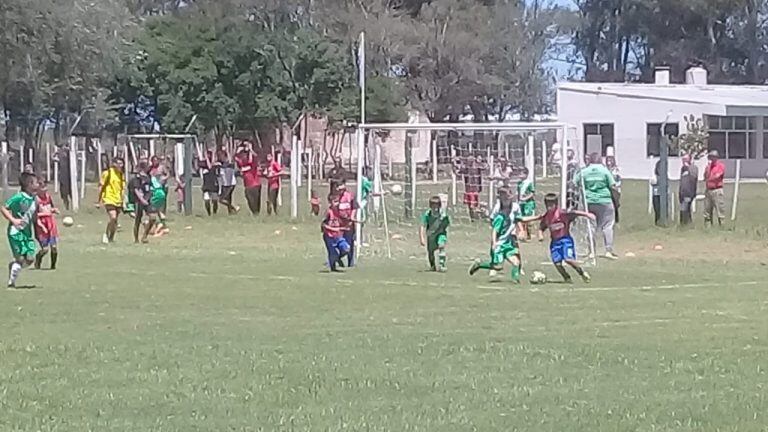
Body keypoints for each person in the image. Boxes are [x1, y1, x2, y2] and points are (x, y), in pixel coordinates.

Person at [523, 193, 593, 284]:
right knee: (557, 263)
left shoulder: (562, 214)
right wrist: (540, 235)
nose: (549, 208)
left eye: (551, 205)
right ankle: (567, 278)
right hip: (555, 243)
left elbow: (575, 213)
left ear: (556, 204)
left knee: (568, 259)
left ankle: (582, 272)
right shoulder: (546, 217)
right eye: (547, 205)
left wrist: (587, 214)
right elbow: (542, 227)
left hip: (566, 240)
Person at [468, 194, 523, 283]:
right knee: (497, 266)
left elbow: (521, 219)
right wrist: (494, 243)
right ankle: (479, 264)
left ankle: (515, 280)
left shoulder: (513, 211)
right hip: (499, 244)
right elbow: (494, 230)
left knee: (516, 262)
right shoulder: (500, 217)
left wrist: (522, 229)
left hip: (508, 243)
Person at [574, 153, 618, 260]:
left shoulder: (584, 171)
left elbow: (575, 182)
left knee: (590, 226)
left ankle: (591, 251)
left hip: (589, 201)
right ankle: (608, 250)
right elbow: (612, 185)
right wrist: (616, 199)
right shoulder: (604, 171)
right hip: (605, 200)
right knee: (607, 225)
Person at [2, 172, 39, 287]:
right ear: (29, 184)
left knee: (30, 259)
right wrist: (13, 220)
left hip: (27, 233)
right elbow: (4, 208)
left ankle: (14, 266)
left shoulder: (34, 199)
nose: (38, 185)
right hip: (15, 232)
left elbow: (33, 216)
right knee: (21, 258)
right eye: (36, 182)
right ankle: (12, 280)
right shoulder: (19, 197)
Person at [97, 157, 126, 244]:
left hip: (118, 200)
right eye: (119, 163)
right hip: (109, 198)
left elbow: (122, 188)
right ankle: (106, 234)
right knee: (113, 217)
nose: (120, 165)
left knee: (115, 221)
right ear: (114, 164)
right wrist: (99, 200)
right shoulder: (107, 173)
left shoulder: (121, 175)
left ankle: (111, 237)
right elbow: (101, 186)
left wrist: (123, 200)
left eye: (122, 163)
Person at [128, 161, 157, 244]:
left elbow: (150, 188)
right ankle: (136, 239)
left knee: (153, 218)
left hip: (147, 200)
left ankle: (144, 236)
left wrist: (149, 197)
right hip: (139, 201)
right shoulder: (137, 178)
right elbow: (136, 190)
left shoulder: (148, 177)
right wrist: (142, 200)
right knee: (137, 220)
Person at [419, 196, 450, 272]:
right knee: (430, 252)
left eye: (436, 205)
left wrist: (444, 221)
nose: (435, 207)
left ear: (439, 205)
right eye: (433, 205)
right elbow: (422, 226)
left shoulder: (443, 214)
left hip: (440, 234)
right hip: (431, 235)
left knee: (441, 246)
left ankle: (442, 265)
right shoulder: (427, 214)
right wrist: (422, 238)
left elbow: (447, 224)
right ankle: (432, 266)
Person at [322, 192, 351, 272]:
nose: (337, 203)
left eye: (338, 201)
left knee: (346, 249)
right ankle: (333, 268)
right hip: (329, 236)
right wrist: (333, 229)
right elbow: (323, 225)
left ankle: (338, 258)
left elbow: (343, 221)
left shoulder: (339, 212)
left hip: (338, 236)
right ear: (330, 202)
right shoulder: (328, 212)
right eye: (335, 202)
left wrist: (347, 225)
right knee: (332, 253)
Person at [34, 180, 59, 270]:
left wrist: (54, 210)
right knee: (45, 249)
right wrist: (41, 225)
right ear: (38, 190)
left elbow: (50, 208)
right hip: (41, 225)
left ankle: (53, 266)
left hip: (51, 224)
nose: (45, 190)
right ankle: (38, 259)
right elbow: (34, 215)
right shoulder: (36, 200)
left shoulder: (48, 197)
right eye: (42, 188)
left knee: (54, 247)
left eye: (45, 188)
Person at [336, 179, 359, 267]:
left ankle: (350, 263)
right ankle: (335, 258)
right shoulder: (335, 197)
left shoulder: (350, 196)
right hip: (339, 225)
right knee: (339, 244)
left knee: (349, 244)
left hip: (349, 225)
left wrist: (352, 217)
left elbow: (354, 207)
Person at [235, 142, 262, 215]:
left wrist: (250, 149)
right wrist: (237, 150)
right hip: (247, 184)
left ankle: (256, 213)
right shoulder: (243, 161)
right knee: (249, 198)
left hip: (255, 183)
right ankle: (254, 213)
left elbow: (254, 157)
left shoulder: (253, 160)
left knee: (256, 200)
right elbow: (236, 159)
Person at [703, 150, 726, 226]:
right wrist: (708, 169)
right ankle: (708, 226)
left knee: (720, 209)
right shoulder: (708, 167)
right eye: (710, 157)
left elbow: (718, 176)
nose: (711, 159)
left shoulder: (720, 166)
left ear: (716, 157)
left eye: (713, 157)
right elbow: (705, 177)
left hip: (717, 190)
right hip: (708, 190)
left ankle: (722, 225)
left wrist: (710, 178)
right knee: (707, 210)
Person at [516, 167, 536, 240]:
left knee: (528, 219)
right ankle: (522, 232)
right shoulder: (519, 183)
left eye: (521, 173)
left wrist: (526, 198)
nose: (519, 175)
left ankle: (528, 234)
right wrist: (518, 200)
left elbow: (532, 193)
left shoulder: (529, 183)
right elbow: (518, 193)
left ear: (526, 174)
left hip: (528, 203)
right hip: (521, 203)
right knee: (521, 218)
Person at [679, 154, 699, 226]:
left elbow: (693, 178)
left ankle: (684, 225)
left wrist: (688, 168)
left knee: (684, 209)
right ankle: (688, 224)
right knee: (685, 209)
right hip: (682, 192)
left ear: (689, 160)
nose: (683, 161)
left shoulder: (693, 168)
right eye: (683, 159)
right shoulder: (683, 169)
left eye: (685, 159)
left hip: (688, 192)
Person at [217, 150, 239, 214]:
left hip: (230, 184)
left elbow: (229, 165)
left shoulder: (228, 163)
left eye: (220, 156)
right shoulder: (221, 164)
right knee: (228, 198)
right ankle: (231, 212)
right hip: (225, 184)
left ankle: (234, 207)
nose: (220, 158)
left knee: (221, 199)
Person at [199, 150, 220, 216]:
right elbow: (200, 163)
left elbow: (210, 166)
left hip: (213, 185)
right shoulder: (203, 165)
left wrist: (212, 153)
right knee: (206, 200)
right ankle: (209, 213)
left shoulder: (214, 165)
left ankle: (214, 212)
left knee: (215, 200)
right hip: (206, 186)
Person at [605, 156, 621, 224]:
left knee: (615, 204)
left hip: (615, 189)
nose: (609, 162)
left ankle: (616, 218)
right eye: (608, 160)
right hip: (607, 189)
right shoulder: (605, 169)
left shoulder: (616, 169)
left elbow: (618, 178)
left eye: (610, 160)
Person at [650, 160, 663, 226]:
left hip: (663, 196)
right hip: (656, 195)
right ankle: (657, 223)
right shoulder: (654, 176)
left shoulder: (665, 176)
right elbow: (653, 182)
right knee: (657, 210)